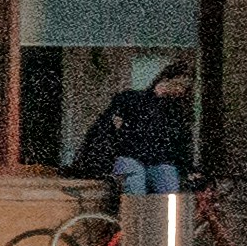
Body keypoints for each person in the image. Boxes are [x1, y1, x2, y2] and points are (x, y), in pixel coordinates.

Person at [77, 60, 194, 199]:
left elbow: (182, 142)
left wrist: (188, 168)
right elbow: (105, 128)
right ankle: (135, 218)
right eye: (180, 85)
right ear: (167, 79)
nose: (181, 91)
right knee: (134, 176)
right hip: (130, 157)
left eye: (185, 88)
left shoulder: (175, 110)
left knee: (168, 181)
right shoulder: (131, 99)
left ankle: (165, 219)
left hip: (159, 161)